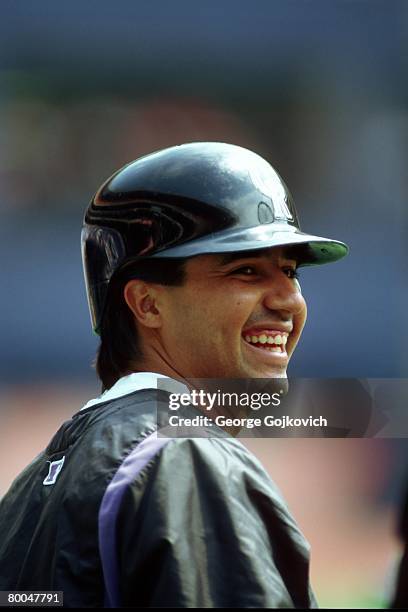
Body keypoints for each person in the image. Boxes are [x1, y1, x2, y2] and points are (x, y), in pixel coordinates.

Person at [0, 142, 348, 607]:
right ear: (147, 303)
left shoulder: (27, 492)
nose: (288, 301)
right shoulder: (185, 457)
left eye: (290, 271)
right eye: (245, 271)